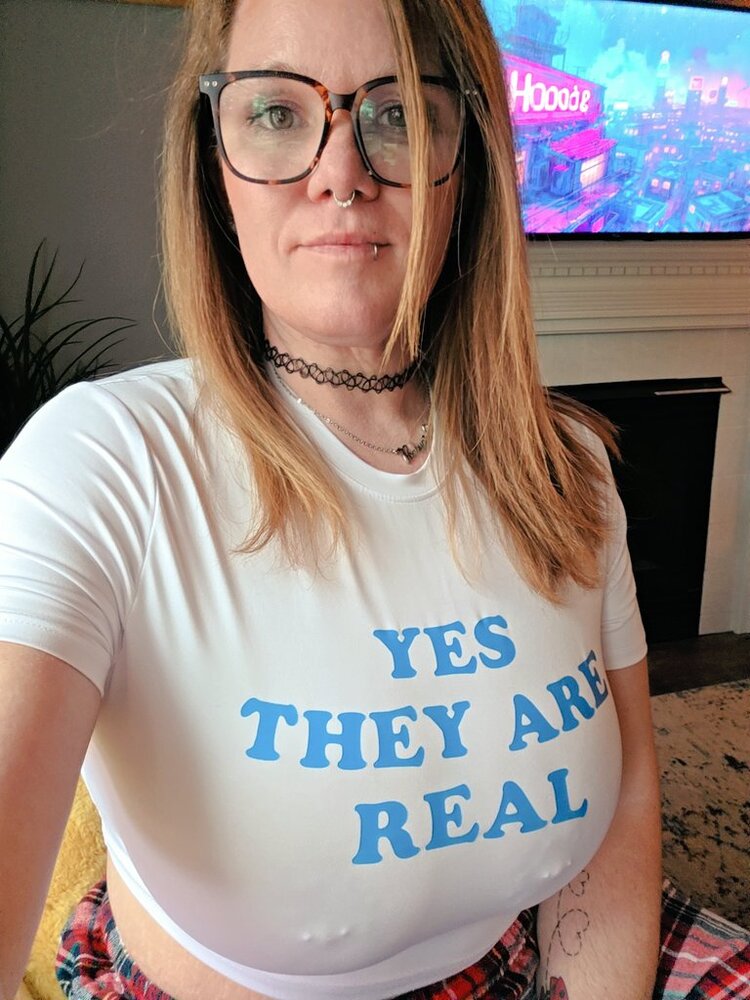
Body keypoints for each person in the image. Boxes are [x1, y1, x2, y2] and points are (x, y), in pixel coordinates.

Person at [0, 2, 747, 1000]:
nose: (340, 172)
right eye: (276, 113)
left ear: (465, 162)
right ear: (215, 165)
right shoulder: (100, 464)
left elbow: (624, 803)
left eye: (397, 113)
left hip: (515, 962)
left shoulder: (564, 465)